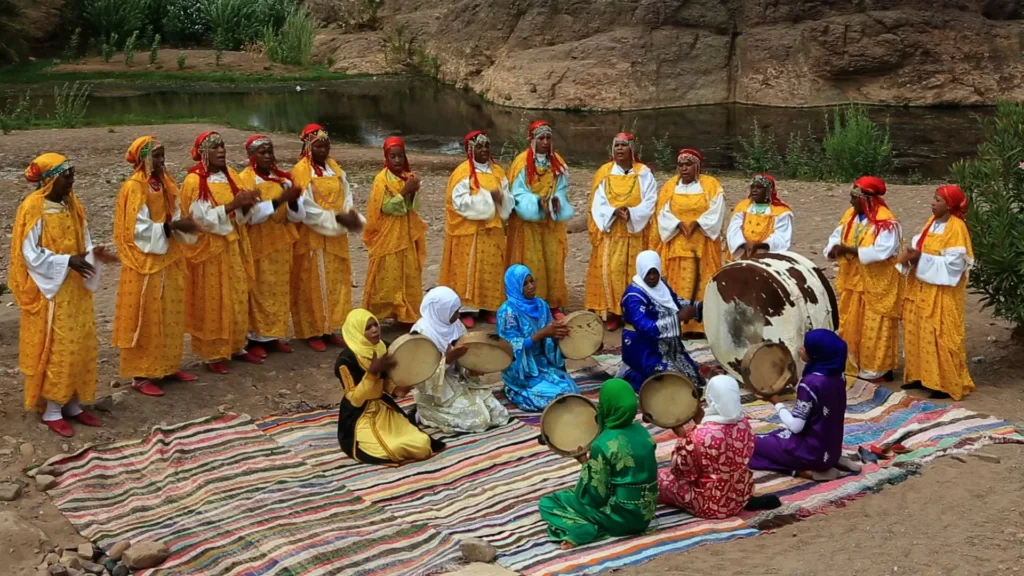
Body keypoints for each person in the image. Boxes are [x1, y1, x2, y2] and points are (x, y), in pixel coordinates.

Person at [10, 154, 118, 436]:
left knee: (81, 343)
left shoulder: (73, 204)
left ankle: (72, 403)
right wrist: (65, 261)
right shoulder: (33, 207)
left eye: (72, 174)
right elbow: (29, 253)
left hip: (76, 289)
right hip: (51, 292)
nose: (72, 181)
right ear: (48, 179)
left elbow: (84, 240)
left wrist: (93, 254)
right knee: (59, 346)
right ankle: (52, 409)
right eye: (66, 175)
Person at [112, 136, 201, 397]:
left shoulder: (164, 182)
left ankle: (167, 365)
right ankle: (142, 374)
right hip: (146, 262)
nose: (162, 161)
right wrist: (171, 227)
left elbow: (171, 212)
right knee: (148, 317)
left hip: (169, 256)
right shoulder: (134, 187)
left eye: (163, 156)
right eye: (157, 157)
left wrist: (181, 224)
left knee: (170, 314)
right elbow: (136, 229)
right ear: (144, 159)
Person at [180, 131, 269, 373]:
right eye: (215, 147)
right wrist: (233, 205)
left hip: (234, 244)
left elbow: (241, 212)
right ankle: (213, 354)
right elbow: (200, 218)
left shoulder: (230, 174)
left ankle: (237, 345)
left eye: (222, 146)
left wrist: (249, 204)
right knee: (214, 299)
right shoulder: (194, 180)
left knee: (237, 294)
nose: (221, 151)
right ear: (202, 153)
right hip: (211, 250)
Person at [538, 378, 658, 549]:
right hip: (645, 516)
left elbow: (593, 496)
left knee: (550, 502)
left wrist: (585, 463)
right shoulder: (644, 433)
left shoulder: (602, 444)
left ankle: (582, 530)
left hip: (620, 519)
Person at [334, 309, 444, 464]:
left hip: (384, 408)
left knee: (422, 445)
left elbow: (391, 385)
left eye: (375, 325)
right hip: (359, 415)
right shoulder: (346, 360)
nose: (374, 330)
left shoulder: (384, 348)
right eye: (368, 328)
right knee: (394, 448)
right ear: (357, 332)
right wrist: (372, 373)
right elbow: (355, 399)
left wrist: (405, 383)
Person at [291, 124, 365, 351]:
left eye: (326, 146)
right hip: (313, 235)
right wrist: (335, 220)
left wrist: (347, 214)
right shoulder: (302, 171)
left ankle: (330, 328)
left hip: (336, 236)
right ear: (308, 147)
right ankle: (313, 331)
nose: (323, 151)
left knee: (336, 282)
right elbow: (306, 207)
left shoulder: (335, 168)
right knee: (312, 283)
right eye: (318, 147)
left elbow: (347, 195)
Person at [897, 185, 975, 400]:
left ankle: (942, 383)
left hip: (941, 292)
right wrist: (912, 256)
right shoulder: (932, 223)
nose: (933, 203)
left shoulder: (956, 227)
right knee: (918, 331)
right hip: (920, 288)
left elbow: (954, 266)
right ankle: (920, 376)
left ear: (949, 205)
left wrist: (919, 258)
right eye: (933, 198)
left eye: (938, 200)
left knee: (939, 333)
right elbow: (921, 247)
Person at [824, 176, 903, 382]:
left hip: (878, 283)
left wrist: (850, 249)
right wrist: (833, 248)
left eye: (854, 198)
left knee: (875, 324)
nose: (851, 202)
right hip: (852, 280)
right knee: (849, 320)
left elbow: (882, 251)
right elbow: (836, 235)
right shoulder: (851, 215)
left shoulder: (886, 222)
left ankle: (877, 368)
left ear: (867, 200)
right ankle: (852, 363)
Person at [749, 329, 856, 480]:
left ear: (816, 354)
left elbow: (795, 426)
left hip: (811, 453)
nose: (801, 348)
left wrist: (776, 403)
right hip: (831, 447)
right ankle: (834, 460)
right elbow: (818, 398)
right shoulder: (837, 375)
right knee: (773, 435)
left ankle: (808, 472)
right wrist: (793, 382)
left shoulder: (810, 383)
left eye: (805, 347)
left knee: (752, 445)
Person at [238, 134, 304, 358]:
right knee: (259, 290)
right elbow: (251, 216)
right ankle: (255, 337)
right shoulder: (245, 180)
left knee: (278, 289)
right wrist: (280, 200)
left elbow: (296, 217)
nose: (268, 156)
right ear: (251, 156)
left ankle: (273, 336)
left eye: (270, 152)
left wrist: (293, 201)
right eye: (262, 152)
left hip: (281, 241)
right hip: (258, 242)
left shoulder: (282, 179)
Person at [409, 286, 510, 433]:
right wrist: (448, 360)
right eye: (454, 311)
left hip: (460, 380)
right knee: (479, 421)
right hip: (436, 391)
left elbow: (465, 354)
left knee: (499, 414)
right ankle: (425, 413)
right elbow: (419, 377)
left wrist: (471, 368)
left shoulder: (456, 325)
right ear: (441, 310)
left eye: (458, 310)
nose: (457, 315)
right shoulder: (421, 334)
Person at [440, 130, 514, 328]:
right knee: (468, 269)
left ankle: (489, 307)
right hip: (470, 232)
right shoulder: (462, 173)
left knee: (492, 268)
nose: (484, 150)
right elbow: (459, 203)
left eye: (486, 146)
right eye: (479, 146)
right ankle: (467, 309)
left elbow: (507, 197)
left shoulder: (498, 171)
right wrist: (489, 199)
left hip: (493, 232)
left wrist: (502, 200)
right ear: (470, 149)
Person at [584, 133, 658, 331]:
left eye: (624, 145)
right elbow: (597, 202)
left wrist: (632, 213)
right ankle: (614, 312)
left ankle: (633, 312)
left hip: (635, 232)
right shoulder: (604, 173)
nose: (619, 149)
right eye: (616, 145)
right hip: (613, 233)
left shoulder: (643, 173)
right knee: (612, 271)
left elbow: (651, 200)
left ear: (632, 149)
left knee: (634, 272)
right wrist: (613, 211)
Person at [657, 375, 755, 519]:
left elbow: (681, 471)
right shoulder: (745, 424)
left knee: (659, 478)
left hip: (709, 504)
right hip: (741, 497)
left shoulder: (699, 435)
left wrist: (682, 436)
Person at [652, 148, 725, 335]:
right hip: (676, 242)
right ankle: (678, 324)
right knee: (676, 284)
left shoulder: (711, 185)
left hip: (703, 243)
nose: (684, 168)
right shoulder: (670, 186)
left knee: (702, 281)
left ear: (697, 166)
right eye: (681, 165)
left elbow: (717, 209)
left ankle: (701, 325)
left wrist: (697, 223)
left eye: (688, 164)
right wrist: (677, 224)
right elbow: (662, 211)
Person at [505, 120, 573, 319]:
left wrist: (555, 202)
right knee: (532, 263)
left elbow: (561, 189)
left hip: (550, 223)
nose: (545, 142)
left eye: (548, 138)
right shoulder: (521, 163)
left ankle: (553, 304)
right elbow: (518, 193)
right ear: (532, 140)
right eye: (541, 138)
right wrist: (536, 204)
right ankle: (530, 302)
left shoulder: (557, 162)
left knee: (553, 262)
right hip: (528, 226)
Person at [362, 136, 427, 326]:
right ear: (386, 158)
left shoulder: (409, 177)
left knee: (407, 273)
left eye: (400, 156)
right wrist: (405, 191)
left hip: (405, 235)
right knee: (386, 275)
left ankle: (405, 313)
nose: (397, 160)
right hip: (387, 236)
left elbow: (413, 207)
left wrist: (413, 192)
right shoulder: (381, 180)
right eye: (393, 157)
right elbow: (387, 208)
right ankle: (380, 312)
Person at [496, 264, 579, 412]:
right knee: (554, 397)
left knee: (571, 390)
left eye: (531, 281)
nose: (531, 286)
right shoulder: (507, 311)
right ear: (514, 286)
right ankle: (514, 390)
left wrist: (556, 335)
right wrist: (541, 334)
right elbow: (508, 348)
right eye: (525, 284)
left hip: (543, 363)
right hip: (523, 371)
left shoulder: (541, 305)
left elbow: (549, 338)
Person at [620, 251, 704, 392]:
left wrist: (696, 307)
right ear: (641, 271)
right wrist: (678, 318)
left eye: (655, 273)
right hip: (643, 345)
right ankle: (631, 374)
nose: (652, 277)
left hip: (668, 343)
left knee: (694, 378)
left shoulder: (661, 284)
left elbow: (674, 302)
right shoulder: (633, 296)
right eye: (648, 273)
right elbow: (646, 328)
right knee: (669, 383)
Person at [725, 173, 793, 261]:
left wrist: (761, 246)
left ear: (769, 190)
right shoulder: (742, 206)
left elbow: (782, 237)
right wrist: (742, 245)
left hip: (767, 253)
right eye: (752, 187)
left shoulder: (781, 211)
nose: (754, 190)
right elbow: (733, 229)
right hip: (742, 252)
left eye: (759, 187)